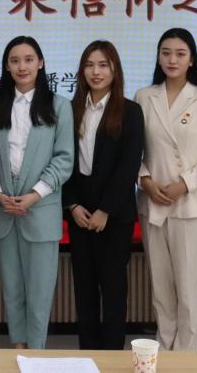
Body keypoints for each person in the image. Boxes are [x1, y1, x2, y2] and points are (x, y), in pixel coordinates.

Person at [135, 27, 197, 351]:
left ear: (191, 60)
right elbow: (133, 151)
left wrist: (184, 184)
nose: (172, 59)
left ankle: (187, 357)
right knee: (161, 287)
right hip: (152, 202)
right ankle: (163, 350)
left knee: (188, 289)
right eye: (166, 53)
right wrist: (145, 180)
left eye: (180, 54)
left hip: (191, 206)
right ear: (158, 58)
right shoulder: (144, 96)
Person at [0, 36, 73, 350]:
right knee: (11, 288)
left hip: (41, 210)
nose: (22, 66)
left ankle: (36, 350)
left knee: (40, 290)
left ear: (41, 63)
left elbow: (64, 159)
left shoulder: (59, 105)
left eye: (28, 59)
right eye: (14, 60)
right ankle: (18, 345)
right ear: (7, 66)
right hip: (3, 209)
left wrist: (35, 194)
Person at [62, 40, 145, 350]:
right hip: (79, 213)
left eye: (103, 65)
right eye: (89, 65)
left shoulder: (130, 111)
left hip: (114, 216)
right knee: (83, 289)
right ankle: (87, 353)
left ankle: (111, 355)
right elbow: (63, 161)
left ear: (115, 70)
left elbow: (129, 164)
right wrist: (72, 205)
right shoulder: (69, 110)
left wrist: (105, 210)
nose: (95, 72)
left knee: (113, 289)